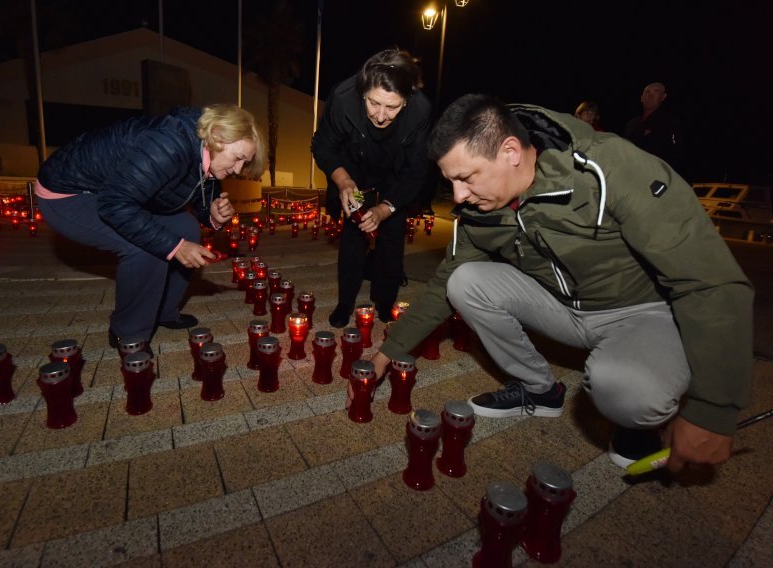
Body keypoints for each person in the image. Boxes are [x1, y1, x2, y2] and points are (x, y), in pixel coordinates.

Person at [366, 94, 753, 474]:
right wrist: (389, 350)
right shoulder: (478, 208)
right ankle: (538, 389)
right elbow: (443, 283)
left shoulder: (609, 167)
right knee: (464, 281)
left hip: (637, 311)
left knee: (625, 389)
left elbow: (709, 282)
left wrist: (712, 411)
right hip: (562, 306)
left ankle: (639, 422)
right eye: (451, 182)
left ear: (511, 151)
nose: (458, 196)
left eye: (466, 178)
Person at [35, 104, 265, 348]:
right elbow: (115, 205)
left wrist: (213, 216)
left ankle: (164, 311)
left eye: (245, 163)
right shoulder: (169, 144)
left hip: (111, 193)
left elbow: (199, 196)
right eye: (238, 158)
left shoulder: (207, 150)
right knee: (146, 247)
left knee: (186, 228)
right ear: (218, 136)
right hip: (67, 193)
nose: (238, 169)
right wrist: (175, 247)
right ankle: (129, 333)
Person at [312, 48, 431, 328]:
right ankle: (345, 304)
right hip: (354, 171)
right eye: (374, 103)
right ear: (363, 91)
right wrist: (343, 181)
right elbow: (323, 146)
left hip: (395, 177)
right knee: (352, 240)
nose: (380, 116)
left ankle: (385, 303)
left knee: (392, 241)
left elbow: (416, 172)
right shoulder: (342, 99)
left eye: (392, 107)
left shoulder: (420, 111)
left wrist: (384, 208)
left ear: (407, 100)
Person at [623, 82, 684, 170]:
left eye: (656, 92)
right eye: (647, 92)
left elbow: (676, 153)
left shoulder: (669, 122)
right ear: (641, 98)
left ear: (663, 97)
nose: (650, 95)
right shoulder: (631, 124)